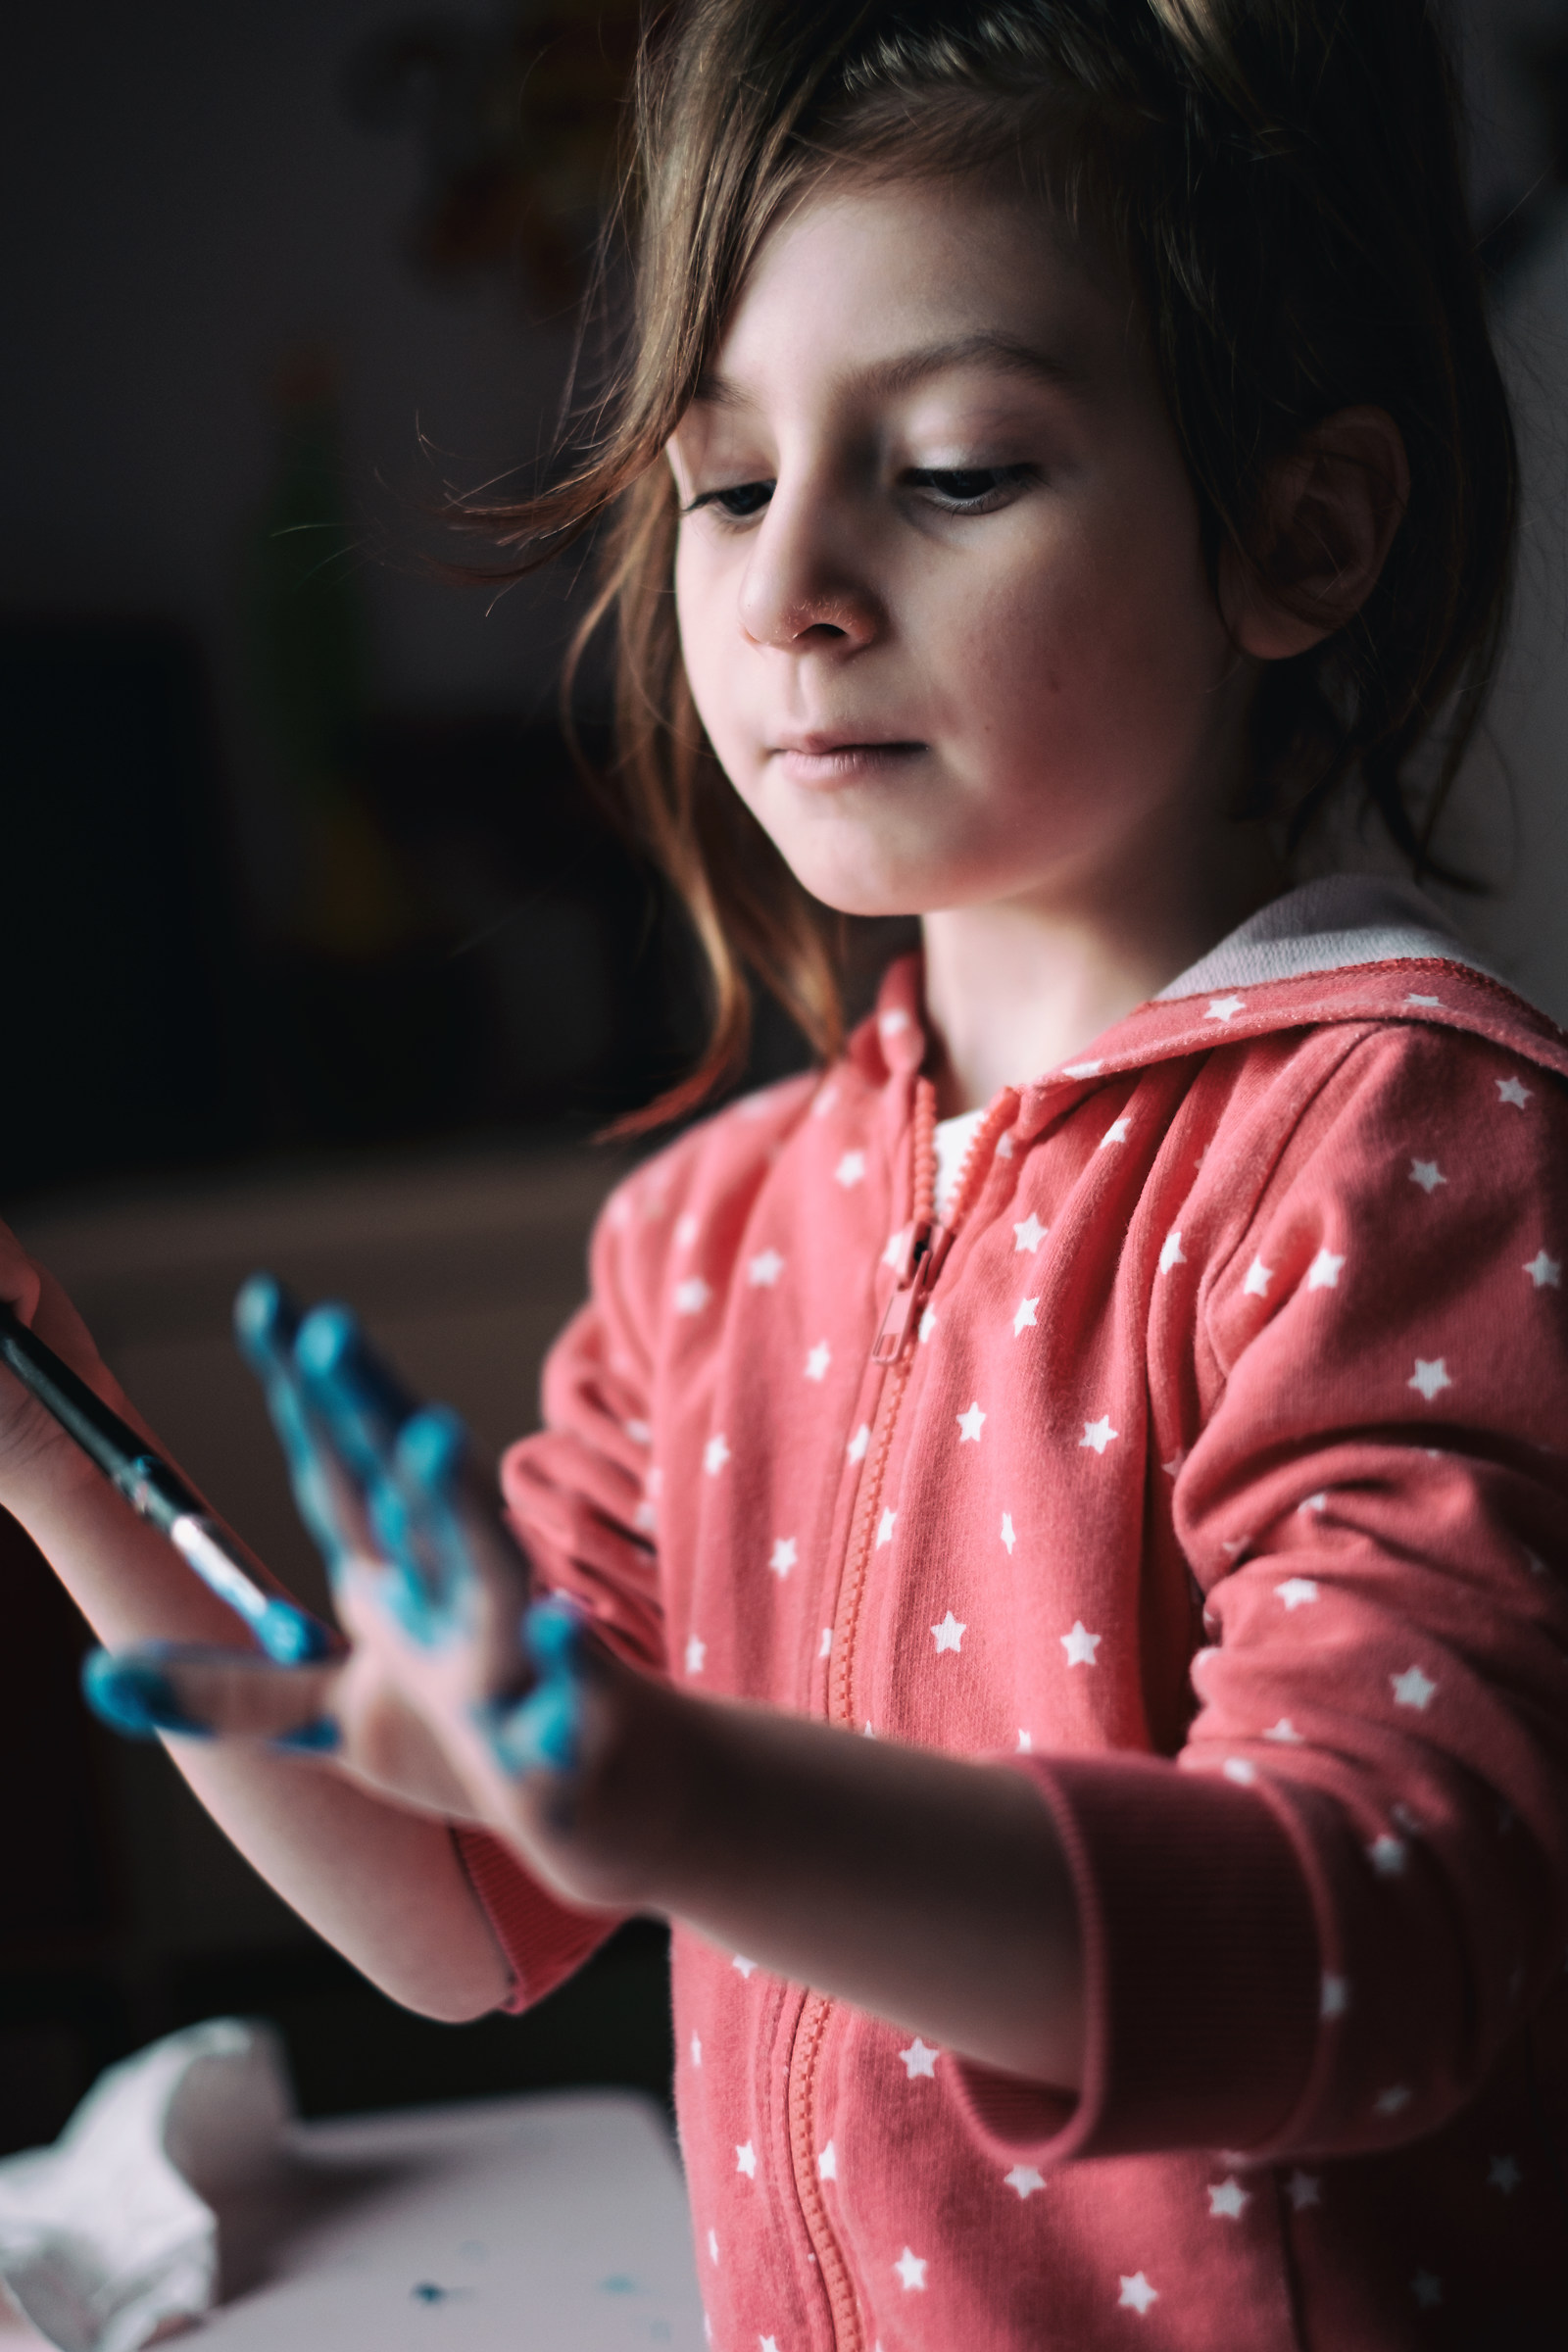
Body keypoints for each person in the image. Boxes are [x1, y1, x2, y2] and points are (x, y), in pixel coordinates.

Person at [3, 2, 1565, 2343]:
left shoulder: (1409, 1162)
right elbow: (462, 1905)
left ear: (1295, 534)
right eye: (727, 484)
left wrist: (667, 1802)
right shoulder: (704, 1245)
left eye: (947, 473)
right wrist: (50, 1451)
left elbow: (1362, 1942)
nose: (787, 586)